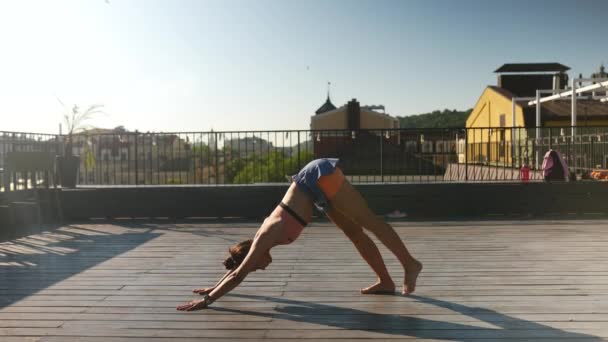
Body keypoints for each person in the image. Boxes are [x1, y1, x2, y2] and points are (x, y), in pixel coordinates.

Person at [176, 158, 423, 311]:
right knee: (354, 234)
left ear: (254, 255)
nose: (262, 268)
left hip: (317, 178)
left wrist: (207, 302)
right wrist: (212, 288)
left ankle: (410, 264)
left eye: (257, 266)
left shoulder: (266, 235)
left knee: (368, 221)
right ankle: (386, 282)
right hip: (316, 194)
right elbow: (238, 269)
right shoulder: (259, 244)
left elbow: (239, 274)